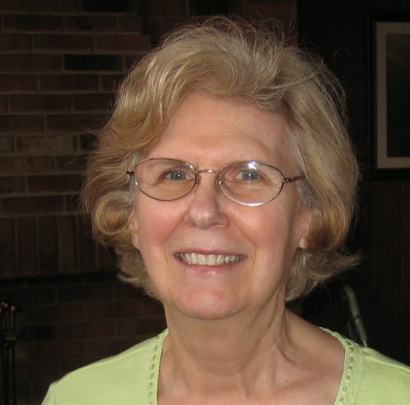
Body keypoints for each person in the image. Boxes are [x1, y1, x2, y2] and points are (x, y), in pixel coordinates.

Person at [43, 17, 410, 404]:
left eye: (249, 175)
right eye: (173, 174)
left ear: (310, 215)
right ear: (130, 216)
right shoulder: (75, 398)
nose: (204, 211)